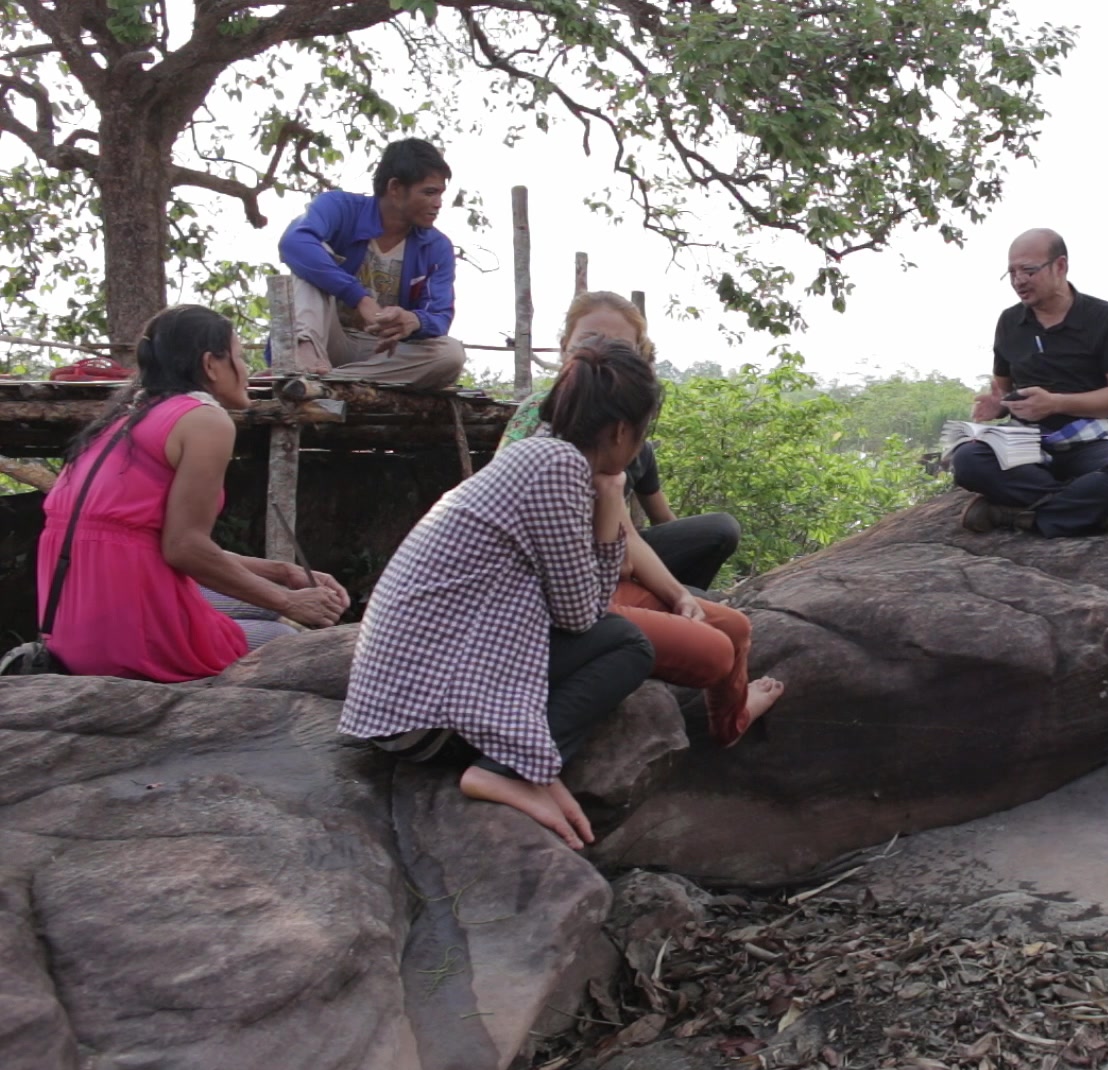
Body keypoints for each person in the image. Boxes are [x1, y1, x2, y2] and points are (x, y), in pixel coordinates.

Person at [340, 336, 658, 849]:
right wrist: (610, 509)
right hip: (426, 712)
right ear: (622, 430)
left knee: (618, 634)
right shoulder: (558, 469)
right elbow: (581, 616)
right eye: (642, 434)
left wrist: (605, 509)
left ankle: (518, 759)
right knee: (628, 645)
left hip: (402, 702)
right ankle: (504, 767)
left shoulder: (539, 457)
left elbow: (575, 608)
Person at [36, 305, 350, 681]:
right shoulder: (204, 419)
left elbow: (147, 541)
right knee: (282, 635)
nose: (247, 370)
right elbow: (184, 548)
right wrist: (289, 601)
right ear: (211, 364)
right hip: (123, 636)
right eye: (239, 357)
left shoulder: (122, 417)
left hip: (71, 628)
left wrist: (282, 573)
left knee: (264, 604)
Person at [498, 291, 741, 590]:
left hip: (618, 557)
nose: (603, 353)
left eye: (619, 347)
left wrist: (677, 592)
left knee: (717, 533)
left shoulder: (633, 437)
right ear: (565, 348)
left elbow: (659, 524)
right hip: (553, 567)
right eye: (589, 341)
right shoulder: (541, 420)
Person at [951, 228, 1108, 536]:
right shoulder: (1009, 322)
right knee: (967, 460)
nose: (1019, 280)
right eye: (1012, 272)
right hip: (1026, 443)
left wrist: (1056, 403)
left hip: (1090, 442)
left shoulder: (1105, 317)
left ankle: (1014, 516)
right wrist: (998, 405)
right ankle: (1081, 508)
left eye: (1029, 270)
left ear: (1060, 266)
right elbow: (1005, 390)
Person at [278, 138, 467, 389]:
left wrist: (413, 320)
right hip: (325, 339)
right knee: (311, 256)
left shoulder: (437, 247)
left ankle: (329, 382)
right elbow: (293, 243)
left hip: (382, 354)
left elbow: (440, 316)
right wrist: (359, 298)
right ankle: (304, 361)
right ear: (395, 188)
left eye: (440, 194)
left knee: (451, 355)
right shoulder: (339, 207)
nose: (438, 204)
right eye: (429, 192)